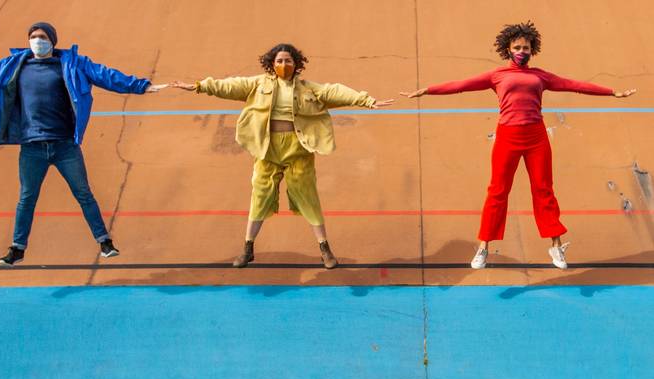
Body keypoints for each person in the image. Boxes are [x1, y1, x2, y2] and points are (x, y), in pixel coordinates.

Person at [0, 22, 166, 266]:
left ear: (52, 41)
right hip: (32, 147)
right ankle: (17, 249)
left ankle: (104, 242)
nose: (37, 41)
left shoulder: (71, 64)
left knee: (84, 194)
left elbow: (105, 75)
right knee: (27, 198)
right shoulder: (12, 66)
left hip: (65, 146)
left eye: (42, 37)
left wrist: (143, 86)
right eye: (33, 37)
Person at [401, 21, 636, 269]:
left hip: (536, 137)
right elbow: (461, 85)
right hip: (507, 137)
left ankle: (556, 247)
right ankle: (483, 247)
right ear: (508, 49)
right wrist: (428, 90)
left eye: (526, 47)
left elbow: (575, 85)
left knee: (544, 190)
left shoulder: (540, 76)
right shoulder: (497, 76)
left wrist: (612, 92)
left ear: (532, 50)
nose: (521, 51)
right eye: (517, 47)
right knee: (498, 191)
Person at [172, 43, 393, 269]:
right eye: (279, 61)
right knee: (260, 195)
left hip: (298, 149)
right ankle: (248, 248)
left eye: (288, 61)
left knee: (308, 196)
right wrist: (200, 86)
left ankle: (324, 248)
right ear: (271, 64)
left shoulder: (308, 89)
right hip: (268, 149)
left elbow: (335, 91)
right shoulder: (257, 85)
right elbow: (229, 86)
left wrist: (367, 100)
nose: (284, 65)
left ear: (296, 64)